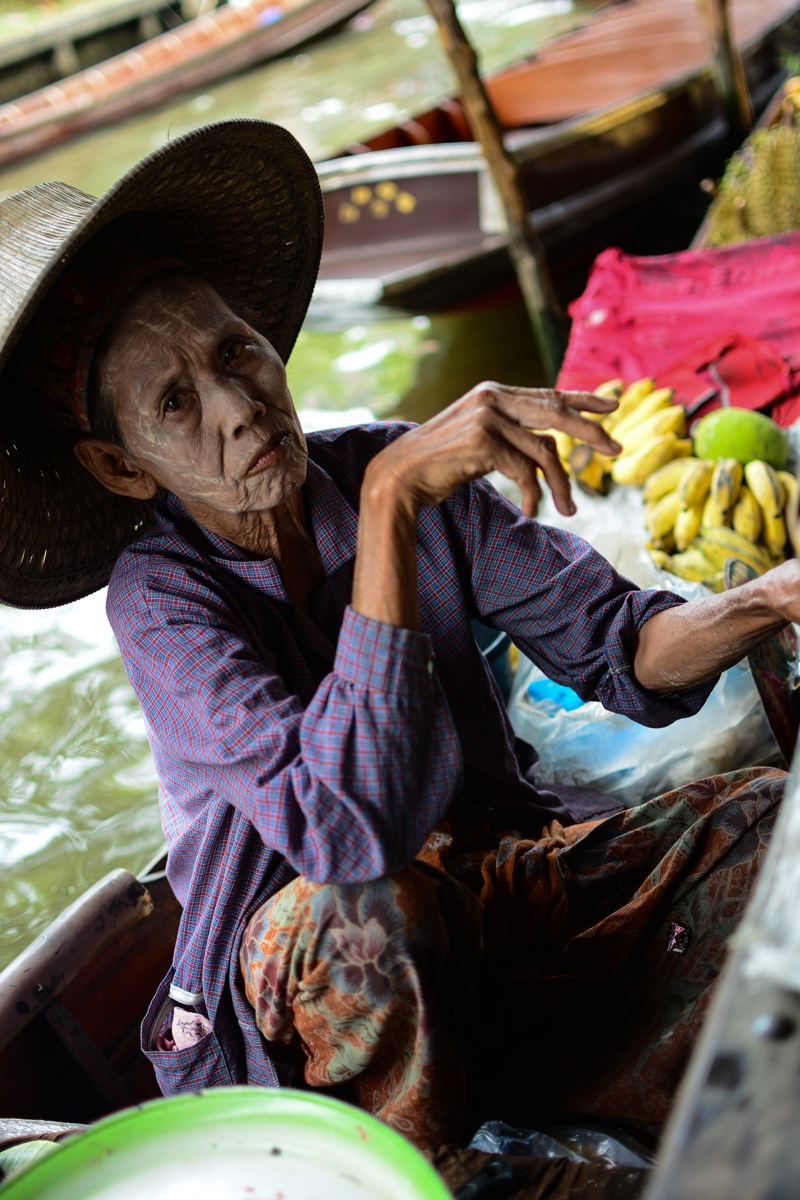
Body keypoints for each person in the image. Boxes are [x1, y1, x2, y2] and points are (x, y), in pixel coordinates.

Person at [0, 119, 793, 1151]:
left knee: (763, 825)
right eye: (175, 403)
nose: (239, 408)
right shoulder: (161, 599)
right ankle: (432, 1159)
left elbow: (626, 654)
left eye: (235, 351)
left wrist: (767, 599)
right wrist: (385, 504)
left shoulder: (380, 464)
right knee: (367, 914)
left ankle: (556, 1079)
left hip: (494, 886)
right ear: (120, 466)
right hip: (311, 984)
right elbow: (345, 838)